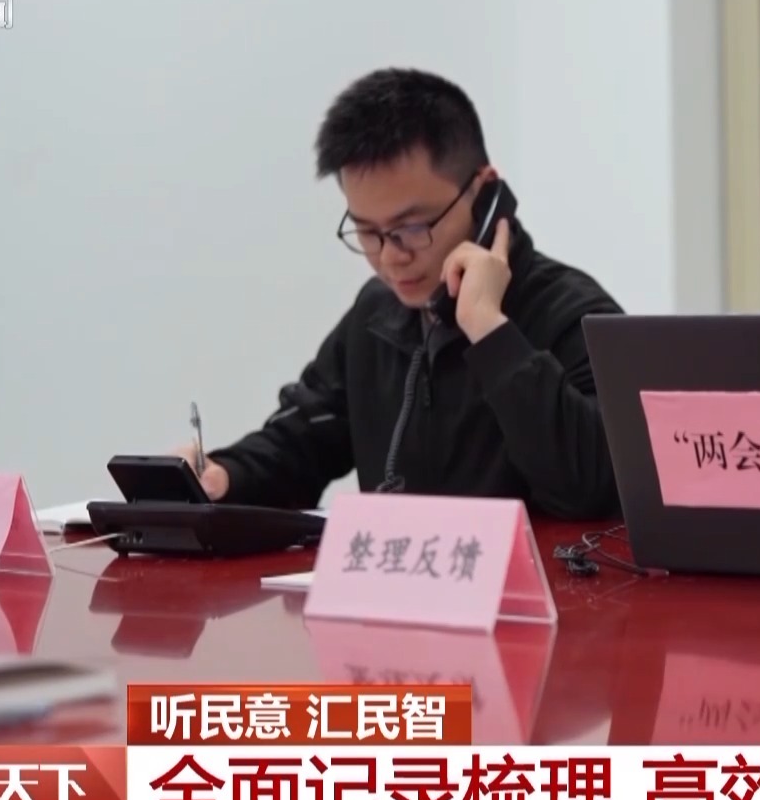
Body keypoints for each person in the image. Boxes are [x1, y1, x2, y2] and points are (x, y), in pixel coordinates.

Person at [180, 67, 625, 520]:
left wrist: (491, 332)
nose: (391, 257)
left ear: (484, 192)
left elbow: (599, 490)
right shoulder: (378, 314)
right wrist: (225, 474)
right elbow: (301, 442)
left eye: (412, 228)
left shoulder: (577, 315)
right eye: (367, 231)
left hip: (533, 569)